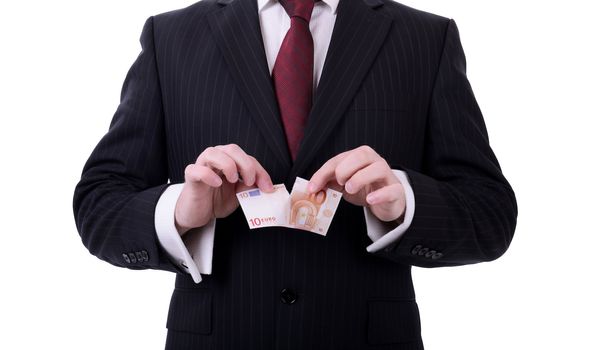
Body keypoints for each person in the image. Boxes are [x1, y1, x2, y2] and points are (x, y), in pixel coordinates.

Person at [72, 0, 518, 348]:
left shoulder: (425, 38)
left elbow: (490, 214)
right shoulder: (170, 37)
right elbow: (100, 204)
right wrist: (181, 213)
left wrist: (403, 199)